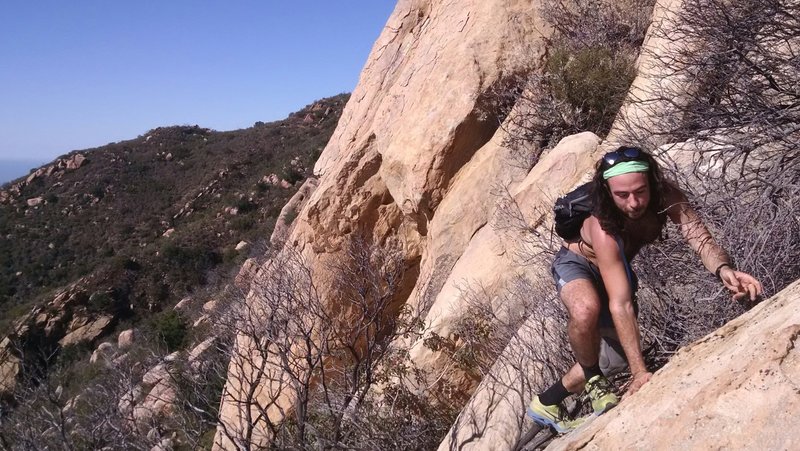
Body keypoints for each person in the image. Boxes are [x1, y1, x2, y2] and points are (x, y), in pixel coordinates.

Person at [527, 146, 763, 433]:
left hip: (615, 268)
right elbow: (620, 304)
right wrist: (640, 374)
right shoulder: (602, 226)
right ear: (607, 193)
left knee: (614, 359)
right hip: (580, 264)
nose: (634, 202)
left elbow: (697, 235)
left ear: (651, 182)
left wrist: (724, 270)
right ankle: (593, 380)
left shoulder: (666, 196)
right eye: (622, 195)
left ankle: (547, 402)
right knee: (585, 309)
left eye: (640, 191)